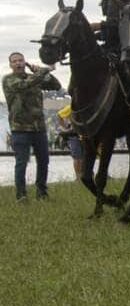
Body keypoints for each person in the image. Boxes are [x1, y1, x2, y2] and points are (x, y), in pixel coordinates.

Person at [3, 52, 61, 201]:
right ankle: (21, 195)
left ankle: (42, 193)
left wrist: (39, 72)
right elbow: (23, 86)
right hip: (20, 128)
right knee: (21, 162)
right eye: (14, 61)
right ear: (10, 65)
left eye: (20, 60)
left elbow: (55, 86)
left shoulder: (35, 77)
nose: (18, 63)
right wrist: (45, 70)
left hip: (39, 128)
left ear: (24, 61)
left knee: (44, 161)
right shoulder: (8, 80)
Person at [56, 104, 83, 178]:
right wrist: (65, 127)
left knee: (85, 157)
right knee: (77, 156)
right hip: (74, 135)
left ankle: (85, 175)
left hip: (84, 135)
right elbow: (59, 115)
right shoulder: (71, 107)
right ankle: (78, 177)